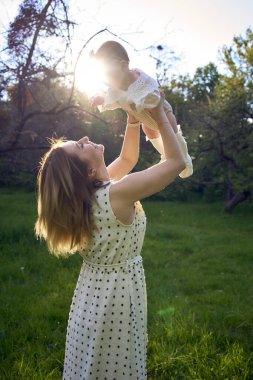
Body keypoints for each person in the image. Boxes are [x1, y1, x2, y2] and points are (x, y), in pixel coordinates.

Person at [34, 91, 185, 379]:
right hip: (117, 298)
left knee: (92, 361)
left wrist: (131, 119)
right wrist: (159, 115)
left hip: (92, 296)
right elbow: (175, 163)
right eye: (81, 145)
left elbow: (128, 158)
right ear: (90, 170)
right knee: (117, 363)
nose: (86, 139)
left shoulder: (92, 195)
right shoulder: (116, 193)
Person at [90, 40, 193, 178]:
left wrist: (139, 102)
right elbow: (114, 98)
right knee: (148, 130)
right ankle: (166, 153)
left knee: (170, 125)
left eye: (110, 77)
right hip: (143, 117)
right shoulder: (116, 85)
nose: (110, 83)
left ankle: (184, 157)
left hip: (159, 111)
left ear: (123, 66)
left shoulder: (140, 79)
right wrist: (102, 99)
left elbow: (154, 92)